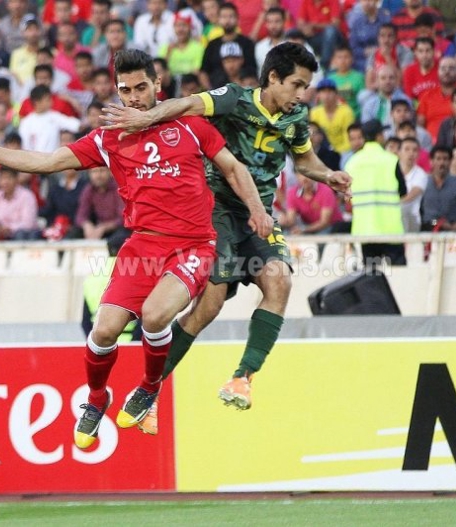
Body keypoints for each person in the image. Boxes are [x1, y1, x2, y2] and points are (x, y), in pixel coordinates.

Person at [0, 49, 273, 447]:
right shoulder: (108, 139)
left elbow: (234, 168)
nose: (133, 97)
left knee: (153, 317)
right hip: (141, 248)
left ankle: (150, 386)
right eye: (125, 90)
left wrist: (257, 210)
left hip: (192, 245)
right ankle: (98, 399)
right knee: (103, 331)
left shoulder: (189, 126)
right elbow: (47, 162)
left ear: (157, 86)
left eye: (140, 87)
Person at [101, 42, 351, 432]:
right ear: (273, 78)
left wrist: (328, 175)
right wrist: (144, 118)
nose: (302, 95)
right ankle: (150, 390)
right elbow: (184, 106)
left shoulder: (296, 117)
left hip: (258, 213)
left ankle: (242, 377)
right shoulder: (234, 99)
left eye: (305, 87)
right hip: (214, 209)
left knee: (280, 280)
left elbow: (305, 161)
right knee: (209, 305)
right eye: (297, 85)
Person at [346, 118, 407, 266]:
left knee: (371, 277)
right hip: (391, 228)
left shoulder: (352, 163)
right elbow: (403, 191)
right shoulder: (391, 160)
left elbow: (347, 196)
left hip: (364, 229)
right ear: (379, 136)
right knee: (399, 275)